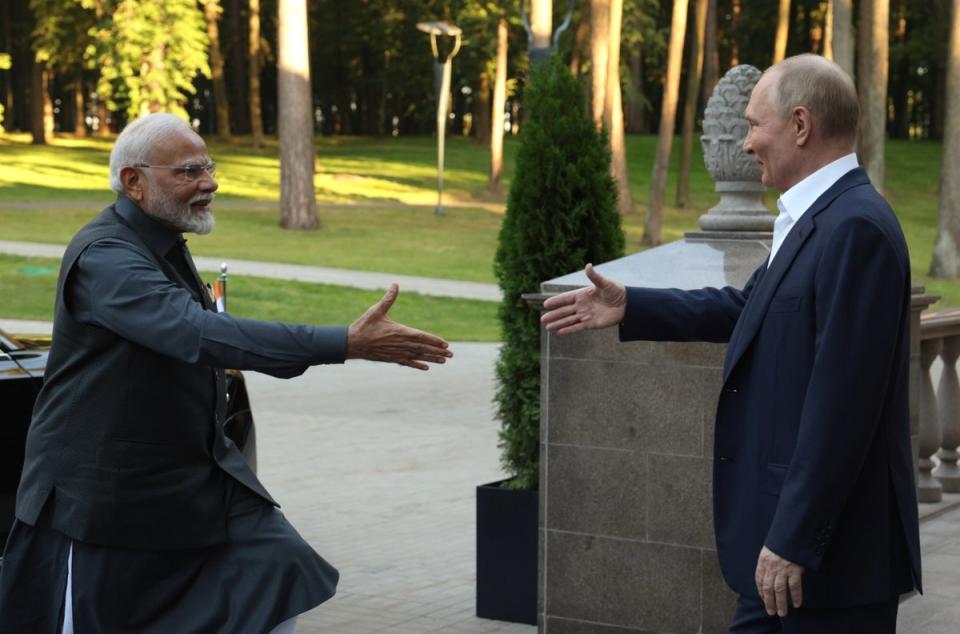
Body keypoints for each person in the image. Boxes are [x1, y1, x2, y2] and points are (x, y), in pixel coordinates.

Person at [0, 112, 453, 634]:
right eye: (189, 172)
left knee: (279, 576)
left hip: (192, 488)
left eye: (208, 168)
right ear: (134, 182)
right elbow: (195, 334)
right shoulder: (105, 256)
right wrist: (343, 343)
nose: (209, 182)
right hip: (105, 505)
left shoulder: (161, 243)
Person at [541, 54, 920, 633]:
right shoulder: (819, 216)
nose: (745, 145)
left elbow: (844, 408)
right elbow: (753, 310)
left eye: (752, 125)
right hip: (787, 559)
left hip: (831, 564)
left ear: (800, 125)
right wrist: (632, 305)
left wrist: (793, 539)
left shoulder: (855, 229)